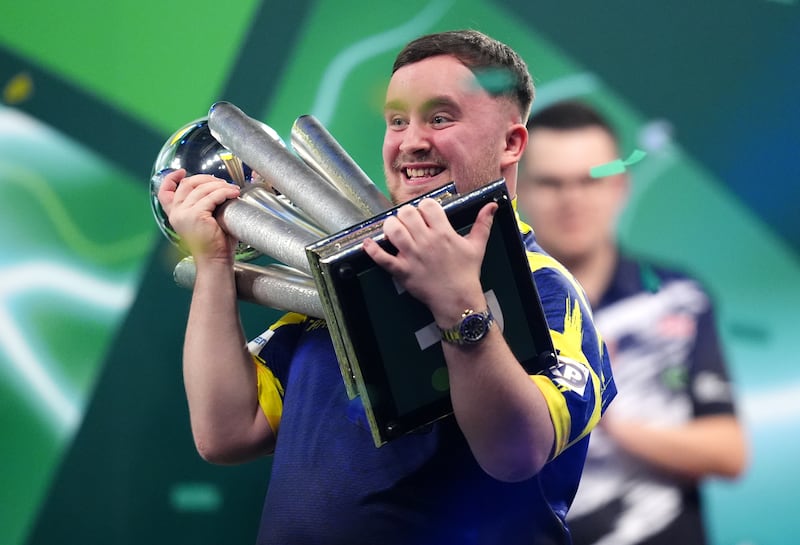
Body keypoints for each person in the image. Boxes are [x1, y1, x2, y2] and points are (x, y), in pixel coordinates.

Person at [158, 31, 615, 545]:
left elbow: (515, 454)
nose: (411, 141)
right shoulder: (346, 280)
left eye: (441, 118)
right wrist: (214, 262)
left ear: (511, 143)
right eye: (398, 120)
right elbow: (227, 431)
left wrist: (458, 306)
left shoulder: (548, 291)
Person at [518, 100, 747, 545]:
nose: (572, 199)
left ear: (620, 185)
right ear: (519, 190)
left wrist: (601, 407)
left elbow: (729, 451)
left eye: (592, 179)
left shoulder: (678, 298)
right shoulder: (492, 315)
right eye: (551, 183)